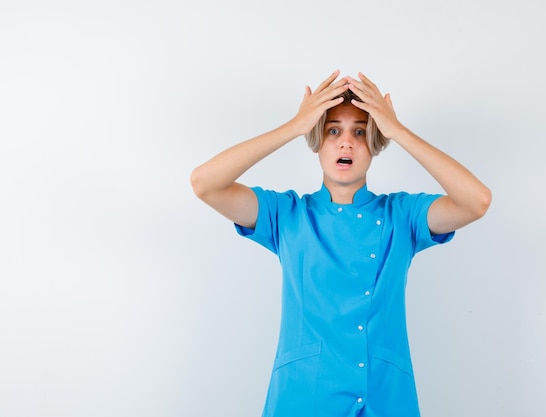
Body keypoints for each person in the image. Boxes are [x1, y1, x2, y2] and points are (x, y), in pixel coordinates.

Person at [190, 70, 492, 417]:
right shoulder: (288, 215)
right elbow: (204, 183)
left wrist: (397, 131)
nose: (346, 142)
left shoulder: (401, 216)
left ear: (374, 144)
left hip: (384, 396)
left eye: (360, 132)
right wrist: (294, 127)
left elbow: (476, 201)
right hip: (304, 397)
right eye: (333, 130)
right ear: (318, 140)